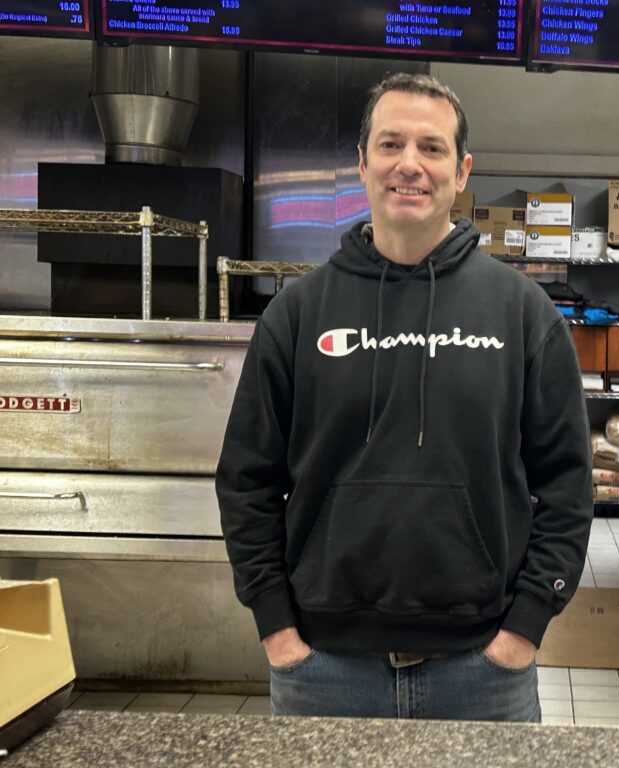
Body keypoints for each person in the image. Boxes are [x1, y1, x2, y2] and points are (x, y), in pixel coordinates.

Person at [216, 73, 593, 722]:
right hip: (324, 676)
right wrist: (277, 630)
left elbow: (565, 484)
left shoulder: (523, 313)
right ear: (362, 163)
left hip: (482, 674)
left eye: (432, 147)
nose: (409, 165)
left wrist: (524, 629)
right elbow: (247, 480)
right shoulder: (299, 314)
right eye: (390, 144)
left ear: (462, 168)